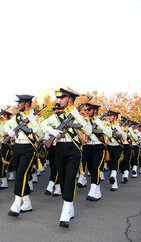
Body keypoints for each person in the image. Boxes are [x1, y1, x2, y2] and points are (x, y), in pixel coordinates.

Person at [41, 88, 92, 228]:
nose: (59, 101)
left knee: (70, 178)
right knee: (62, 178)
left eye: (61, 98)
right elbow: (42, 125)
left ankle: (66, 210)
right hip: (60, 148)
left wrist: (78, 117)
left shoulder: (80, 115)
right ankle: (69, 206)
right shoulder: (58, 116)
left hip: (74, 149)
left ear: (69, 99)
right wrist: (52, 131)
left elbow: (88, 131)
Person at [3, 94, 44, 217]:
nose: (18, 105)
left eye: (20, 103)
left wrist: (33, 122)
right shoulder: (17, 117)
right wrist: (9, 131)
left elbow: (41, 134)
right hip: (17, 147)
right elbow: (6, 125)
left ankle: (17, 202)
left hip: (29, 148)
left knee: (22, 174)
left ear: (26, 104)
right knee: (19, 174)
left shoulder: (37, 117)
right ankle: (27, 202)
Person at [83, 103, 112, 201]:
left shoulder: (103, 121)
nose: (87, 111)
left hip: (99, 146)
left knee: (96, 168)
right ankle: (98, 192)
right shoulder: (85, 120)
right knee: (91, 169)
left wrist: (99, 126)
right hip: (87, 146)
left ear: (95, 110)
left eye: (89, 109)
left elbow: (109, 133)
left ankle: (92, 191)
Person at [107, 110, 124, 191]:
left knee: (115, 161)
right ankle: (114, 184)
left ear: (115, 117)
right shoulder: (106, 124)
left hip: (117, 146)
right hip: (109, 146)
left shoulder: (118, 125)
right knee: (110, 163)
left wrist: (115, 134)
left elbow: (123, 136)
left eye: (110, 116)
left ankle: (113, 176)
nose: (109, 117)